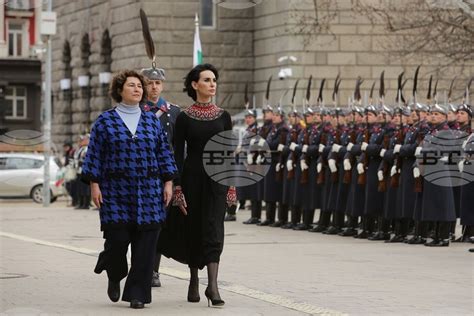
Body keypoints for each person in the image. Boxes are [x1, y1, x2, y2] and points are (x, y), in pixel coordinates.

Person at [81, 70, 178, 309]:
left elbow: (164, 153)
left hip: (149, 190)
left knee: (145, 245)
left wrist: (168, 182)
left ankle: (138, 294)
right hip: (115, 190)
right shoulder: (105, 121)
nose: (138, 89)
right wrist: (94, 184)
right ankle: (114, 273)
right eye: (132, 85)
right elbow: (95, 155)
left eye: (139, 86)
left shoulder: (151, 121)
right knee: (117, 240)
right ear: (120, 90)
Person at [158, 63, 236, 307]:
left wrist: (232, 185)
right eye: (207, 80)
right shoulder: (184, 117)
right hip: (192, 179)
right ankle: (193, 279)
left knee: (214, 230)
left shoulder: (224, 117)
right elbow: (177, 155)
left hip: (217, 181)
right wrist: (177, 187)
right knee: (193, 229)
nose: (212, 84)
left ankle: (213, 287)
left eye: (214, 80)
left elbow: (228, 153)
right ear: (195, 85)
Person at [140, 66, 181, 288]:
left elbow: (179, 148)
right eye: (149, 82)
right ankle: (139, 266)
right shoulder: (136, 109)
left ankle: (153, 271)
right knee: (139, 225)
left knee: (157, 226)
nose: (153, 87)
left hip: (165, 178)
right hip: (141, 176)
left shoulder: (173, 112)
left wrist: (177, 181)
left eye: (157, 83)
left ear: (162, 85)